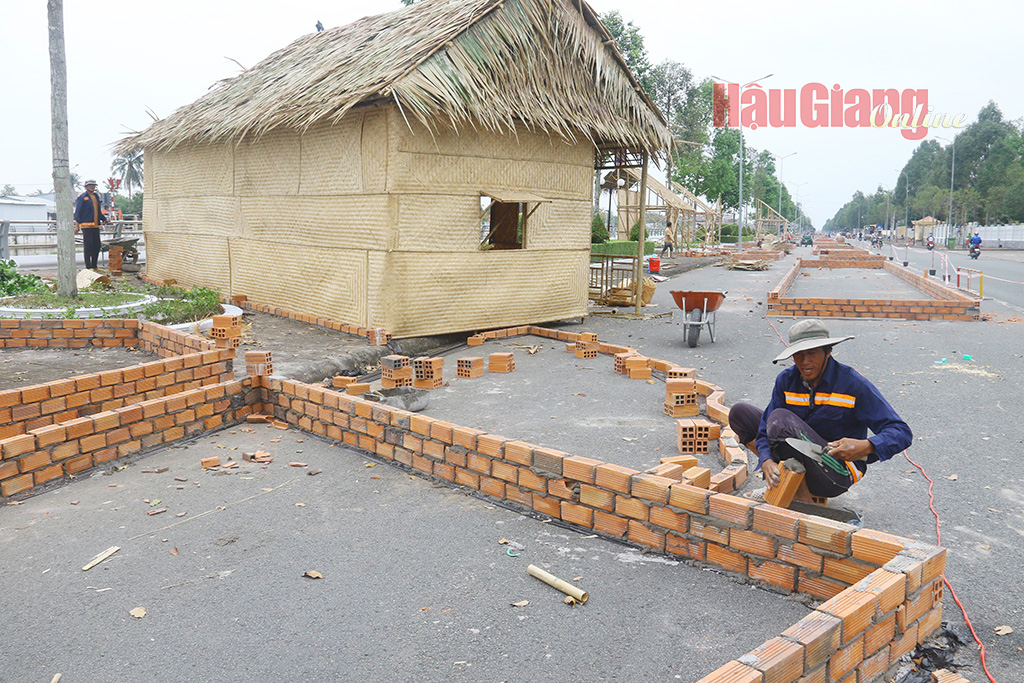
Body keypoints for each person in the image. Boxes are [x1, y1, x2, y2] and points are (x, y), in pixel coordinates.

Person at [729, 319, 912, 503]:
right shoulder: (786, 380)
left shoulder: (853, 385)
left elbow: (901, 432)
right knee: (741, 414)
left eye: (812, 353)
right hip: (801, 453)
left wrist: (866, 445)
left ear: (828, 351)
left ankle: (801, 500)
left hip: (837, 469)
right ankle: (781, 482)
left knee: (780, 420)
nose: (804, 361)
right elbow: (763, 428)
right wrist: (766, 460)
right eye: (798, 354)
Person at [74, 179, 107, 269]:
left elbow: (98, 212)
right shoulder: (82, 197)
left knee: (96, 245)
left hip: (96, 225)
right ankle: (88, 266)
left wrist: (104, 219)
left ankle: (94, 265)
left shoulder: (96, 197)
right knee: (88, 246)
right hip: (86, 225)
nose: (92, 187)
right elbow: (78, 212)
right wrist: (77, 226)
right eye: (90, 185)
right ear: (86, 187)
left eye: (93, 185)